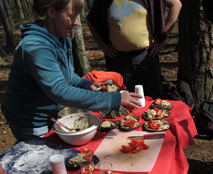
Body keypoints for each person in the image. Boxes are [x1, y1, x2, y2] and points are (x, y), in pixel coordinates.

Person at [1, 0, 142, 141]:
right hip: (29, 119)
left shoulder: (62, 37)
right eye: (71, 16)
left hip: (52, 113)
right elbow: (59, 90)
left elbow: (67, 75)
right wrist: (114, 99)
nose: (76, 23)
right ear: (51, 12)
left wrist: (86, 84)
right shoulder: (35, 46)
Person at [87, 0, 182, 99]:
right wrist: (102, 45)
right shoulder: (104, 2)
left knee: (153, 99)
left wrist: (163, 39)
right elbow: (90, 19)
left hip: (146, 56)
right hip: (119, 58)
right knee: (123, 100)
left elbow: (176, 5)